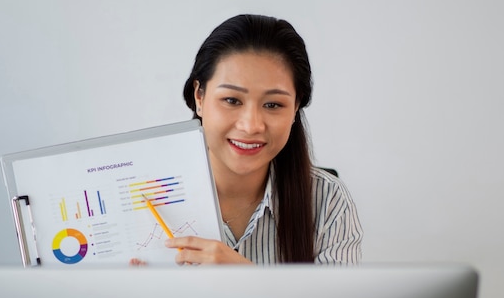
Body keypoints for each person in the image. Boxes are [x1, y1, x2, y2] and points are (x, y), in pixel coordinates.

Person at [145, 14, 362, 265]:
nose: (251, 126)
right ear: (200, 97)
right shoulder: (143, 195)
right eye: (232, 100)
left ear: (296, 107)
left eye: (273, 104)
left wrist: (250, 281)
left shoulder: (327, 201)